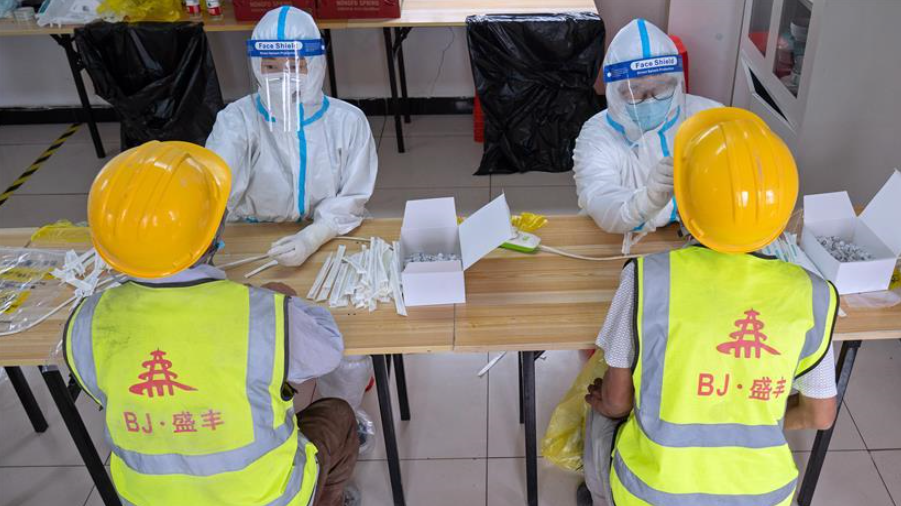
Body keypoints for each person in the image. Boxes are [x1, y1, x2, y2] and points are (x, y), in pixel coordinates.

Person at [65, 141, 360, 506]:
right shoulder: (259, 313)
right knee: (338, 416)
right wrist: (284, 303)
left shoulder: (87, 321)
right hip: (265, 498)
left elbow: (102, 391)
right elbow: (328, 352)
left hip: (147, 500)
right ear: (211, 234)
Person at [578, 108, 840, 506]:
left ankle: (597, 496)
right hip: (765, 497)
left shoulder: (648, 278)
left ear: (686, 201)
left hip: (653, 493)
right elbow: (820, 415)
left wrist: (607, 404)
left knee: (601, 414)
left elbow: (617, 401)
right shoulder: (813, 294)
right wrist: (745, 421)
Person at [206, 6, 377, 268]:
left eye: (296, 66)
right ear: (256, 66)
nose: (283, 77)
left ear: (316, 65)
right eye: (271, 66)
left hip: (331, 233)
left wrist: (313, 236)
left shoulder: (348, 122)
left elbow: (353, 195)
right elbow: (215, 186)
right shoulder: (237, 120)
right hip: (255, 235)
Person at [572, 18, 721, 240]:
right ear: (615, 91)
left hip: (700, 237)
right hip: (622, 239)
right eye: (636, 91)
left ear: (676, 82)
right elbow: (600, 201)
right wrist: (647, 200)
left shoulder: (710, 117)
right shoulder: (597, 135)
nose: (650, 100)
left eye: (661, 87)